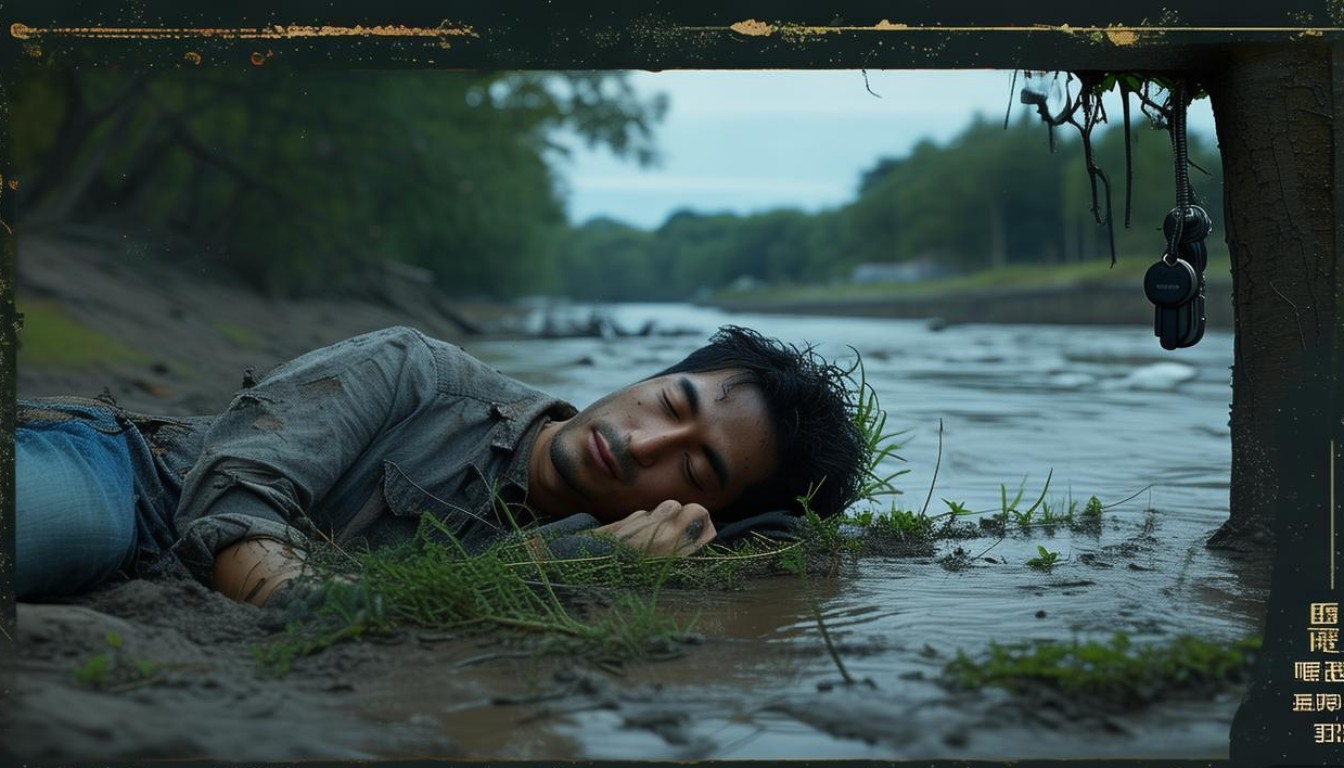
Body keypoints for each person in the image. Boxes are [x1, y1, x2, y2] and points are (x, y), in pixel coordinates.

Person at [16, 325, 868, 606]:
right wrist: (545, 569)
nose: (643, 443)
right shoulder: (413, 369)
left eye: (694, 472)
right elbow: (235, 509)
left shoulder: (612, 559)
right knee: (64, 522)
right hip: (130, 479)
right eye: (671, 404)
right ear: (645, 375)